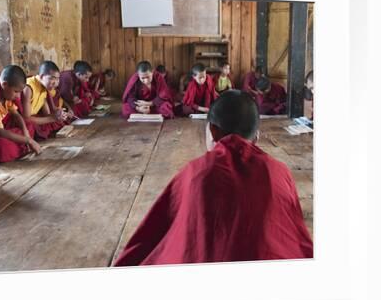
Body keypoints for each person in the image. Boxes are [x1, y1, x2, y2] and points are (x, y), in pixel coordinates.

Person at [114, 90, 313, 266]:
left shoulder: (194, 172)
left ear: (212, 131)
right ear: (257, 137)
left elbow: (154, 235)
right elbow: (295, 234)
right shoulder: (280, 171)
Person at [0, 65, 42, 165]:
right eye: (16, 92)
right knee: (2, 148)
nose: (18, 96)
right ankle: (21, 145)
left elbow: (17, 115)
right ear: (5, 84)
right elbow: (0, 132)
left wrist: (26, 133)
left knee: (29, 127)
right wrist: (29, 140)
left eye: (20, 92)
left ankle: (21, 143)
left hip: (5, 126)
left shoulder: (6, 94)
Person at [21, 60, 71, 139]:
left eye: (57, 79)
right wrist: (52, 118)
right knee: (31, 127)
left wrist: (59, 114)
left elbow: (47, 113)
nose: (56, 83)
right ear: (41, 76)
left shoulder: (45, 87)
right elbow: (26, 119)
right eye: (52, 78)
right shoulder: (29, 87)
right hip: (23, 120)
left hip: (34, 118)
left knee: (55, 122)